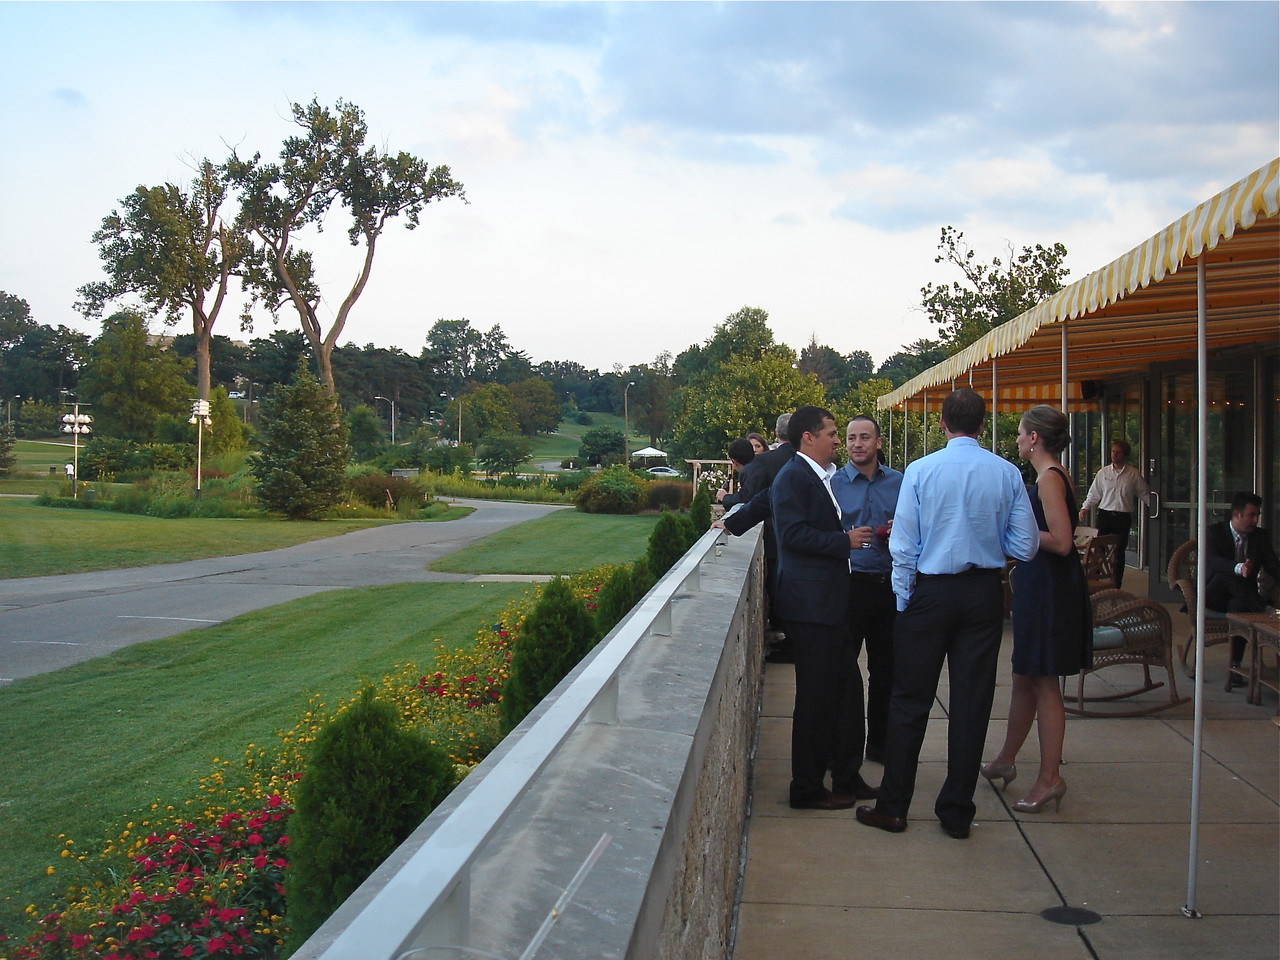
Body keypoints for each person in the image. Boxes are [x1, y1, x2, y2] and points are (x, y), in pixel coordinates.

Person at [855, 388, 1038, 840]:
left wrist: (903, 601)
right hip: (982, 592)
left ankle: (894, 804)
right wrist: (991, 545)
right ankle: (957, 810)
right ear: (981, 425)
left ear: (942, 425)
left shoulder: (921, 470)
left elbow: (903, 545)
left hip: (930, 593)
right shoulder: (1006, 472)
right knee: (972, 702)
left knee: (908, 699)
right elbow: (1026, 544)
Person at [981, 406, 1091, 814]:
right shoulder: (1052, 476)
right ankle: (1006, 759)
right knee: (1024, 674)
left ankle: (1049, 778)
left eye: (1021, 433)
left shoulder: (1048, 479)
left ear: (1034, 438)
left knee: (1044, 680)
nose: (1016, 440)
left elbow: (1063, 542)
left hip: (1049, 589)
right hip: (1039, 586)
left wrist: (1014, 529)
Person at [768, 405, 874, 809]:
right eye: (831, 432)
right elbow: (792, 535)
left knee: (846, 691)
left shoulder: (813, 476)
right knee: (815, 698)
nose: (837, 439)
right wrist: (843, 542)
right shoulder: (794, 476)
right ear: (808, 438)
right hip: (810, 607)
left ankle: (846, 774)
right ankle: (807, 788)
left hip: (828, 604)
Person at [831, 415, 902, 765]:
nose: (857, 444)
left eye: (864, 438)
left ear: (877, 443)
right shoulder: (833, 483)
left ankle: (880, 744)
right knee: (844, 670)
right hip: (850, 585)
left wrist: (898, 529)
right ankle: (843, 749)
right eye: (850, 438)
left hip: (889, 586)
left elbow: (915, 528)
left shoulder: (900, 482)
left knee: (886, 671)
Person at [717, 414, 795, 659]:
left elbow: (755, 500)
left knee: (781, 588)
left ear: (775, 432)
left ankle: (792, 641)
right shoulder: (808, 460)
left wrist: (728, 515)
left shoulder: (766, 464)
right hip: (795, 539)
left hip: (778, 537)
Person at [1205, 492, 1280, 685]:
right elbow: (1213, 562)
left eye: (1257, 515)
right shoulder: (1214, 532)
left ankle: (1235, 667)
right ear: (1237, 515)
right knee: (1227, 575)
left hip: (1243, 597)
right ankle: (1263, 610)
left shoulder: (1260, 537)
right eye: (1252, 515)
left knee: (1239, 606)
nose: (1256, 520)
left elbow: (1273, 567)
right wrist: (1239, 568)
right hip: (1214, 594)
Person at [1079, 439, 1150, 588]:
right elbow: (1094, 493)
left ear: (1125, 454)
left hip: (1122, 517)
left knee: (1119, 552)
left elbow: (1145, 493)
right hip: (1105, 515)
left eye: (1118, 452)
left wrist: (1156, 508)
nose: (1114, 454)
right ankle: (1095, 579)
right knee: (1098, 549)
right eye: (1113, 451)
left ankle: (1116, 584)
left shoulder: (1133, 474)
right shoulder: (1103, 472)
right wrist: (1085, 508)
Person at [716, 438, 759, 509]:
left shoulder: (748, 473)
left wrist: (725, 497)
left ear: (734, 462)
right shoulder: (760, 466)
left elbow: (745, 498)